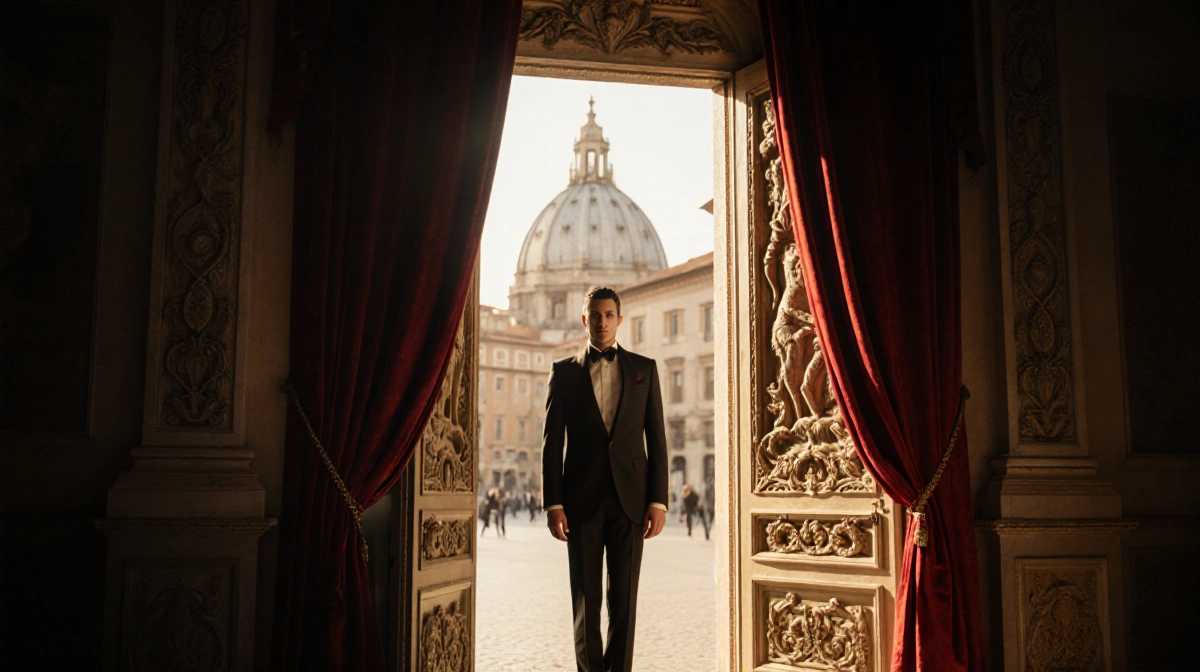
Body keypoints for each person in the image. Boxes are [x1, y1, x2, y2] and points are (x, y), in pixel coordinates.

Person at [542, 286, 668, 672]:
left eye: (608, 315)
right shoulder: (563, 373)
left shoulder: (645, 368)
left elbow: (657, 438)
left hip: (631, 500)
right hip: (579, 501)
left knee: (624, 601)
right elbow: (551, 443)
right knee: (586, 600)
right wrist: (553, 503)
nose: (601, 322)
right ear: (584, 319)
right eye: (594, 315)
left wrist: (658, 500)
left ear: (619, 319)